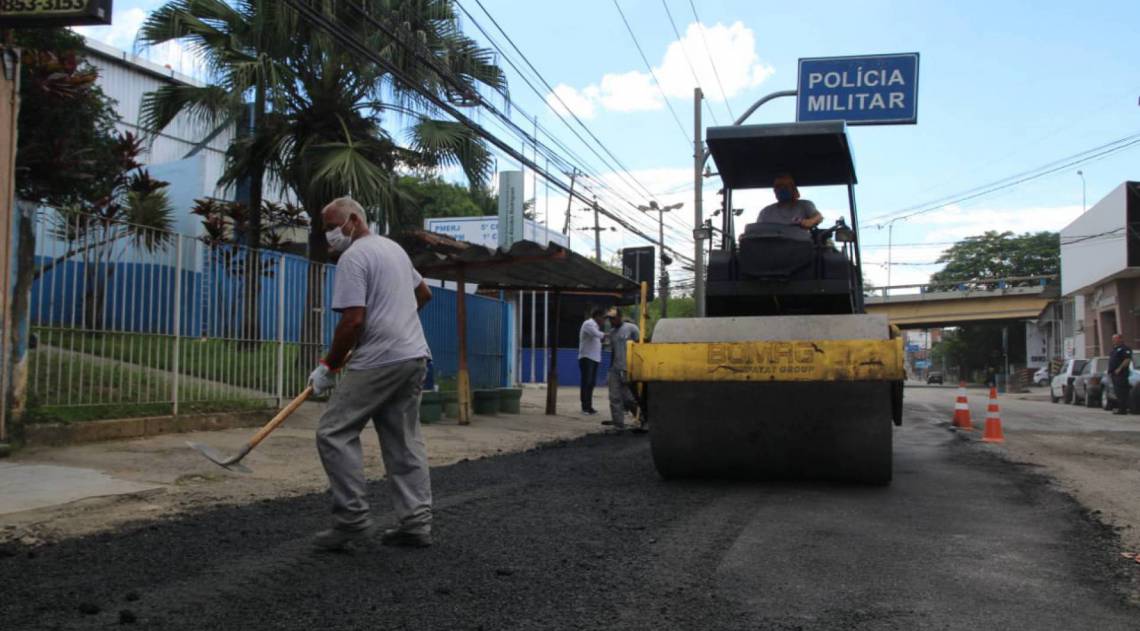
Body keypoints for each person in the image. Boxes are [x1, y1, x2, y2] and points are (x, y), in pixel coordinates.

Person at [307, 197, 435, 551]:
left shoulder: (354, 257)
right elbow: (423, 293)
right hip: (413, 355)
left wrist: (328, 367)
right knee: (404, 440)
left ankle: (351, 521)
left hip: (380, 359)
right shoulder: (393, 250)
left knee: (333, 431)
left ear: (353, 220)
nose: (330, 234)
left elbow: (353, 320)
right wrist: (399, 321)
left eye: (333, 226)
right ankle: (415, 523)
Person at [602, 308, 640, 430]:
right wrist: (610, 369)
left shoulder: (631, 328)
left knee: (628, 398)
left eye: (613, 318)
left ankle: (641, 417)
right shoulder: (612, 333)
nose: (611, 321)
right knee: (614, 397)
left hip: (628, 368)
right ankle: (618, 424)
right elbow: (613, 352)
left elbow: (640, 347)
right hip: (615, 369)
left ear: (620, 317)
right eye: (610, 319)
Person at [757, 173, 823, 231]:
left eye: (785, 186)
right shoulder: (766, 211)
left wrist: (810, 221)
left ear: (793, 189)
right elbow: (756, 230)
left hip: (800, 243)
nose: (781, 189)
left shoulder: (804, 205)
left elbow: (818, 217)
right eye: (778, 187)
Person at [578, 308, 606, 415]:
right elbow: (597, 334)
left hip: (595, 358)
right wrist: (609, 334)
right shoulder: (588, 323)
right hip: (587, 358)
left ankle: (589, 407)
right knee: (586, 382)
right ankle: (584, 407)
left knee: (591, 383)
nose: (604, 320)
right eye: (603, 318)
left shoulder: (596, 326)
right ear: (597, 316)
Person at [1108, 333, 1133, 415]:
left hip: (1121, 374)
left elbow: (1127, 360)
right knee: (1117, 392)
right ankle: (1121, 408)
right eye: (1113, 339)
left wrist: (1119, 369)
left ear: (1120, 339)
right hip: (1114, 374)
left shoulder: (1125, 349)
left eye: (1115, 339)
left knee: (1122, 392)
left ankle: (1123, 409)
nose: (1113, 341)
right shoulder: (1114, 349)